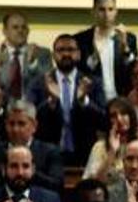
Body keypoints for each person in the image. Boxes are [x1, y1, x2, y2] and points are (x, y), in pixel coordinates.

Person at [29, 33, 102, 163]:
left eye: (71, 50)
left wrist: (84, 101)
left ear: (79, 54)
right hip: (48, 152)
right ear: (53, 55)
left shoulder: (92, 82)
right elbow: (29, 119)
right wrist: (51, 102)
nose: (66, 54)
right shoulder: (39, 83)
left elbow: (103, 119)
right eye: (61, 50)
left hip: (84, 154)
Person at [0, 98, 66, 194]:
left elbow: (57, 186)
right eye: (11, 124)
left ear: (34, 126)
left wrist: (31, 173)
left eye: (21, 124)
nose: (15, 129)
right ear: (5, 125)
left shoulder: (50, 152)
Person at [76, 0, 138, 105]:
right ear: (93, 12)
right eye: (102, 10)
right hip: (93, 101)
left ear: (116, 12)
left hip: (122, 100)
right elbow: (81, 71)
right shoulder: (81, 39)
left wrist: (125, 46)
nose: (106, 14)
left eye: (110, 9)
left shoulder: (129, 38)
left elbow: (134, 70)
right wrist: (95, 55)